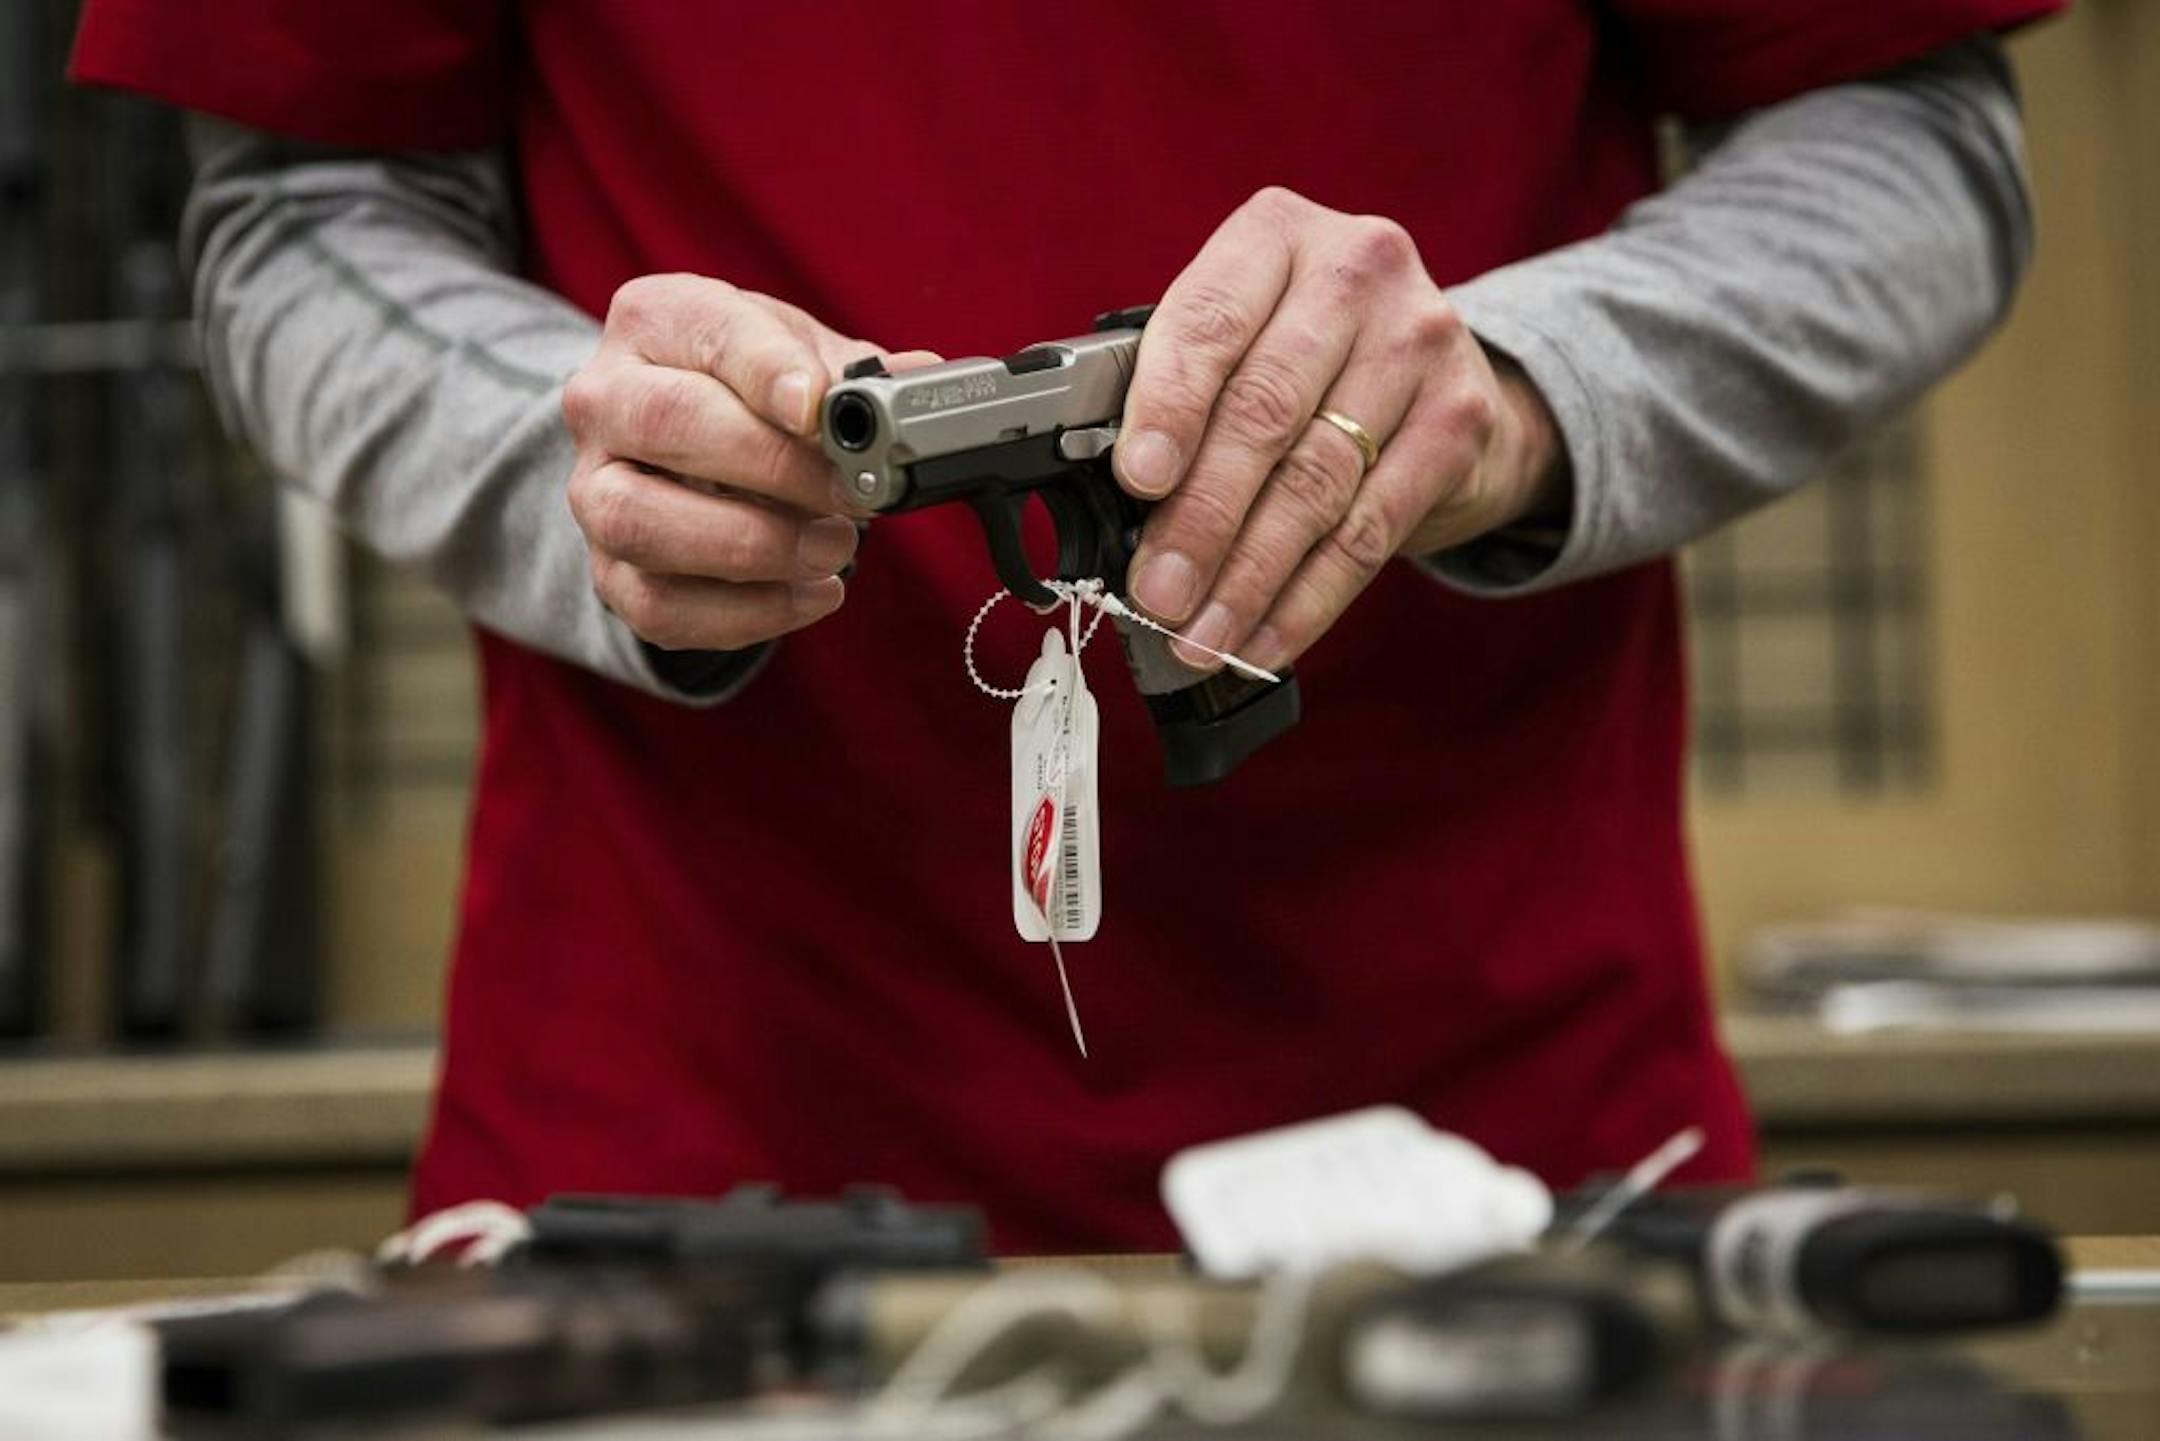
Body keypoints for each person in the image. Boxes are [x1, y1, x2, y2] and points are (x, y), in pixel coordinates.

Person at [74, 1, 2062, 1252]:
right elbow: (294, 217)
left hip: (1517, 1193)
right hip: (667, 1204)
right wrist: (575, 457)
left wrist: (1515, 395)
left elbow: (1917, 150)